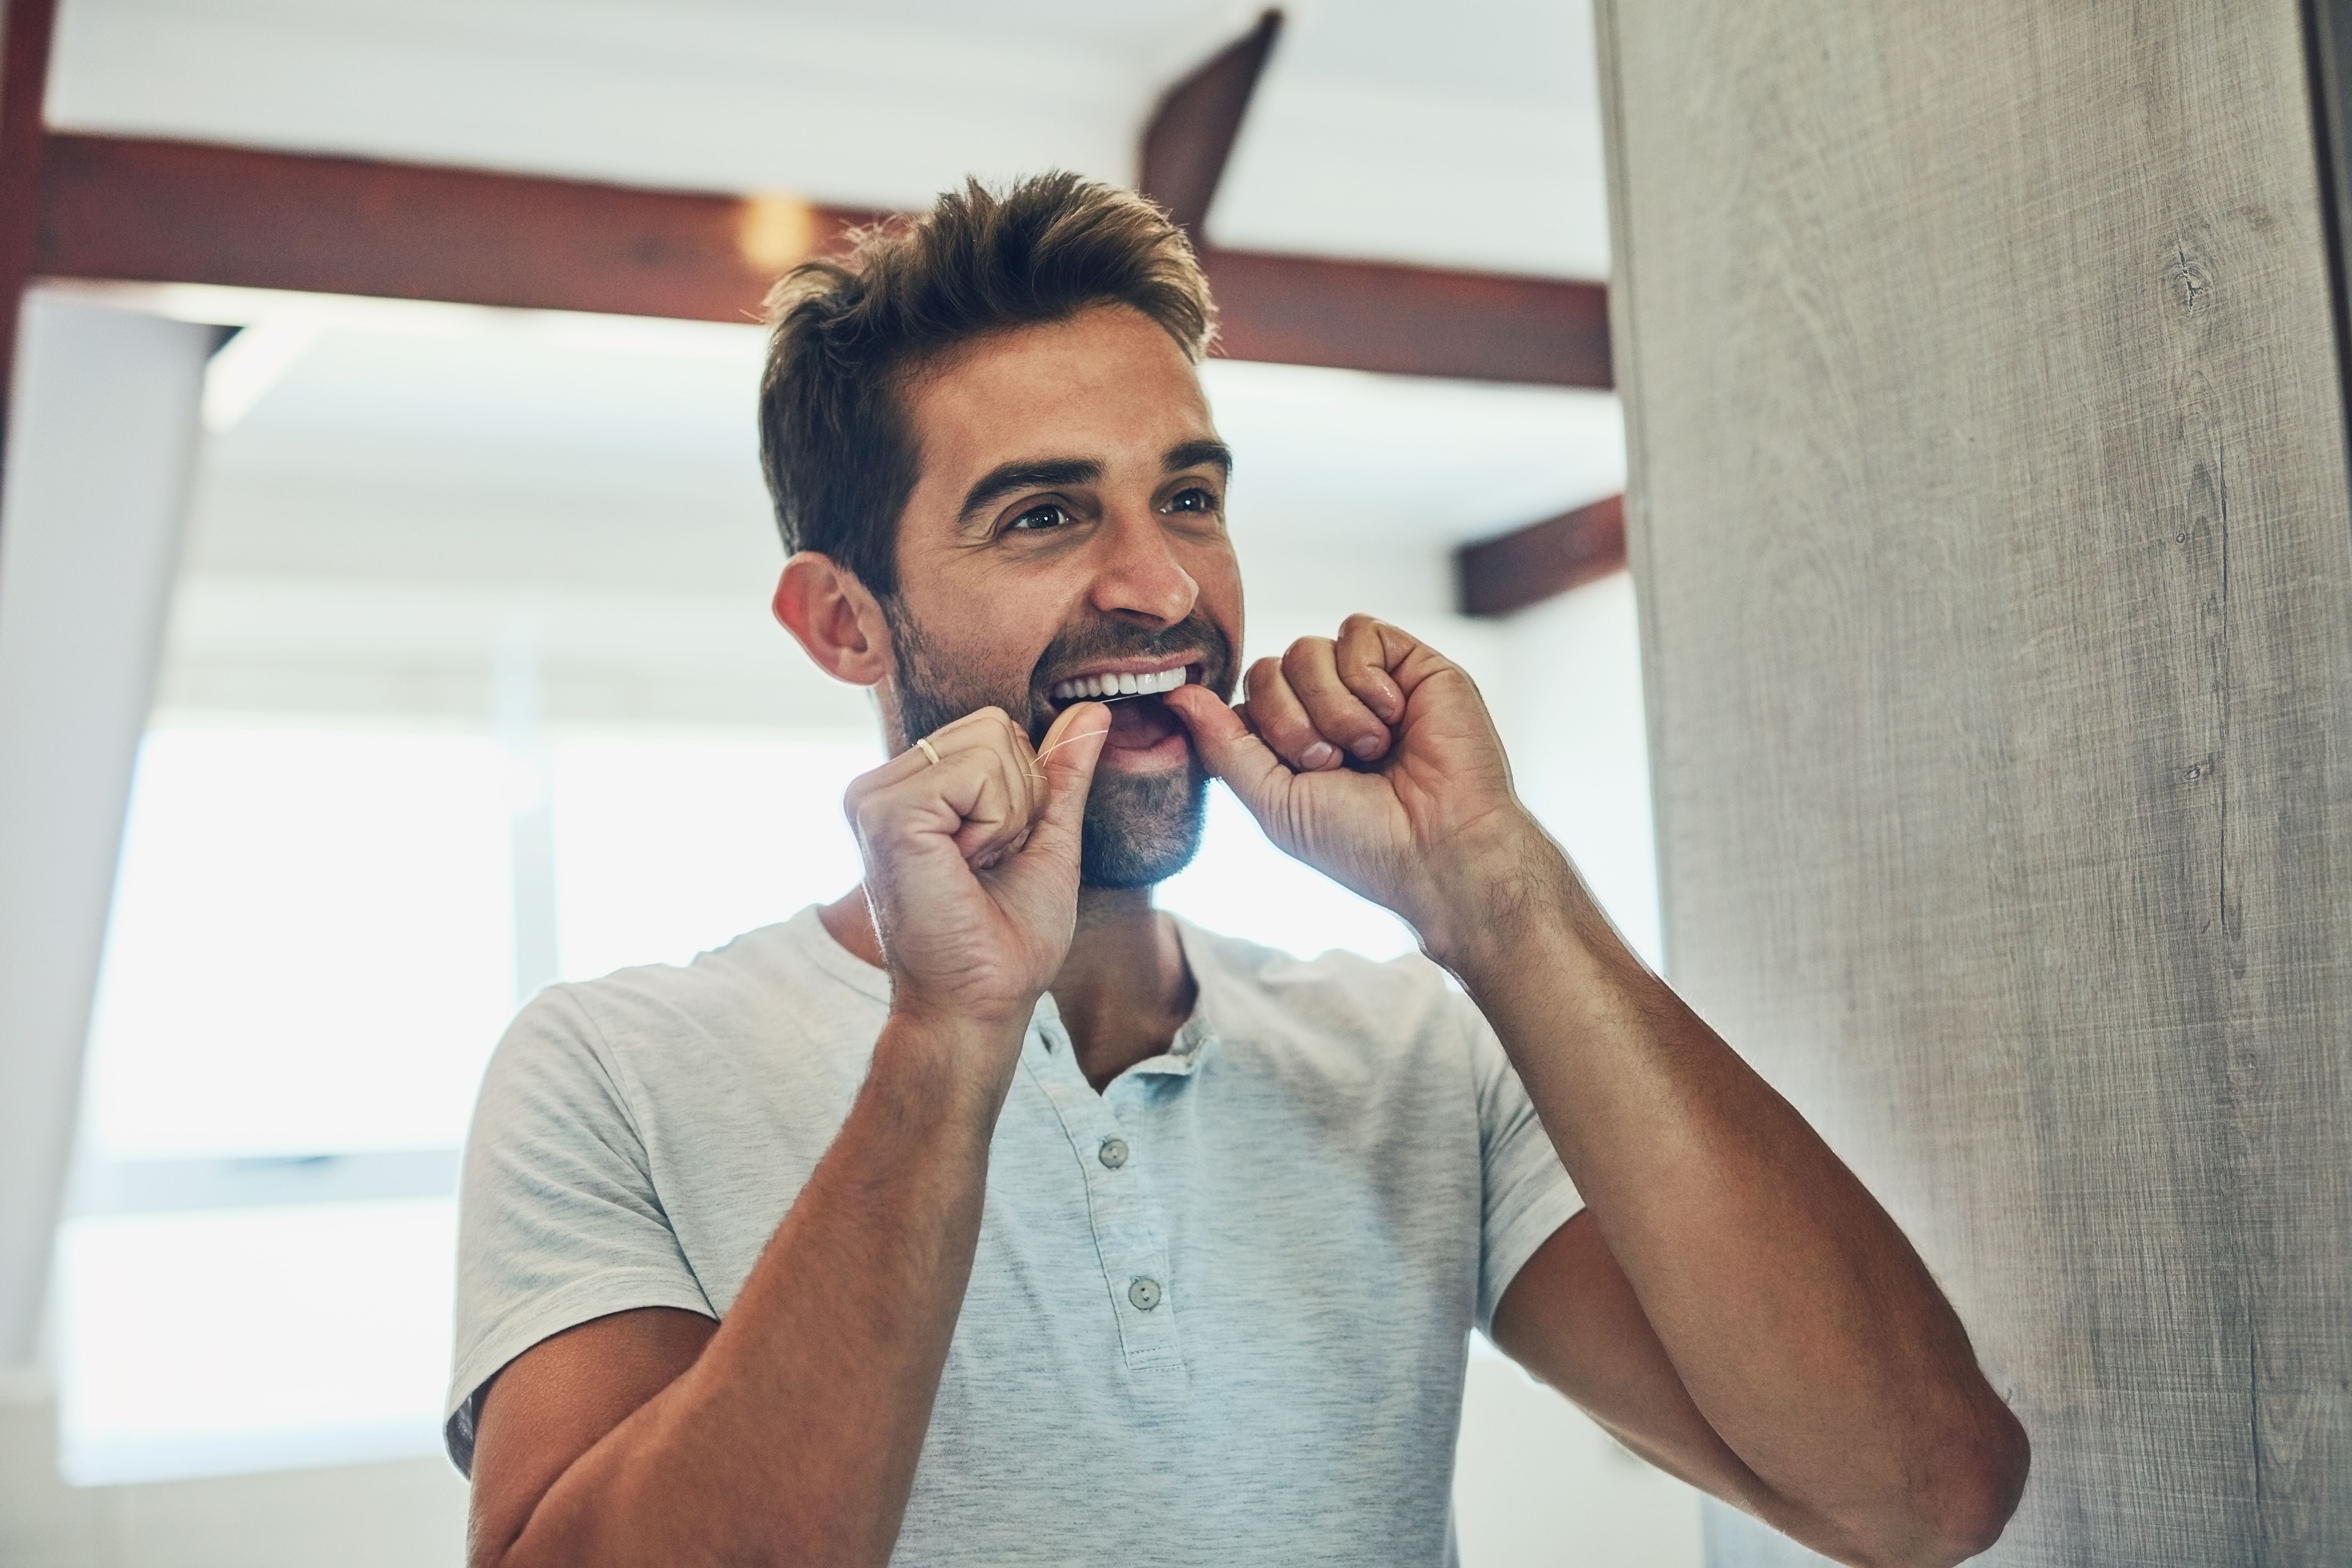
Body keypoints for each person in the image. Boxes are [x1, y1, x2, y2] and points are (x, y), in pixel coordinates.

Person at [445, 173, 2027, 1568]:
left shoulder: (1409, 1053)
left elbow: (1919, 1494)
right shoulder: (611, 1067)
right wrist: (947, 1040)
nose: (1161, 587)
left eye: (1188, 498)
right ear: (844, 623)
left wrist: (1495, 892)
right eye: (1044, 514)